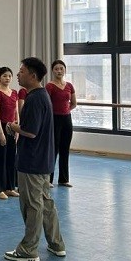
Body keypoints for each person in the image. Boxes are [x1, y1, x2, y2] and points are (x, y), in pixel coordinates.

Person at [4, 57, 66, 261]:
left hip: (32, 161)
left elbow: (30, 131)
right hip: (43, 159)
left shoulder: (34, 99)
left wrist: (13, 127)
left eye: (21, 71)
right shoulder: (42, 95)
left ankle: (28, 249)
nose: (18, 74)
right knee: (45, 203)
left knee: (32, 205)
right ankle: (56, 244)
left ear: (32, 75)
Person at [47, 59, 76, 187]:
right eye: (56, 69)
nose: (59, 71)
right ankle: (48, 179)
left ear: (65, 70)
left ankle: (64, 179)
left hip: (67, 119)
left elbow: (73, 103)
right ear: (52, 71)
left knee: (65, 149)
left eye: (61, 68)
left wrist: (66, 111)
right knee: (53, 149)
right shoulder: (50, 86)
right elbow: (47, 104)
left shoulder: (69, 85)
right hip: (54, 119)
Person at [0, 67, 20, 199]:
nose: (7, 78)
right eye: (4, 76)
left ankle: (10, 187)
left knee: (11, 157)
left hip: (12, 126)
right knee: (0, 157)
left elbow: (16, 112)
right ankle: (0, 188)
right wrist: (0, 133)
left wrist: (17, 129)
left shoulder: (14, 92)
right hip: (1, 126)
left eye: (9, 76)